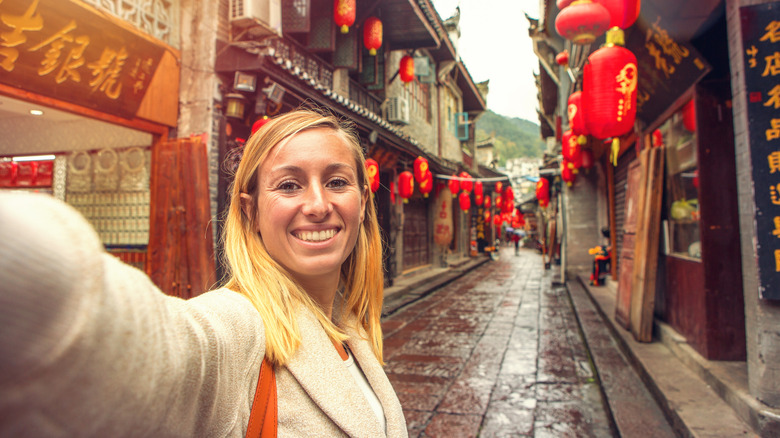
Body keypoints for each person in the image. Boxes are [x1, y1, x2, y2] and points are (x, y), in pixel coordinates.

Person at [0, 109, 407, 437]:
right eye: (288, 185)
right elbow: (157, 350)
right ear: (250, 212)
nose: (318, 205)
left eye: (337, 181)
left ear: (363, 203)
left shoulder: (350, 327)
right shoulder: (239, 327)